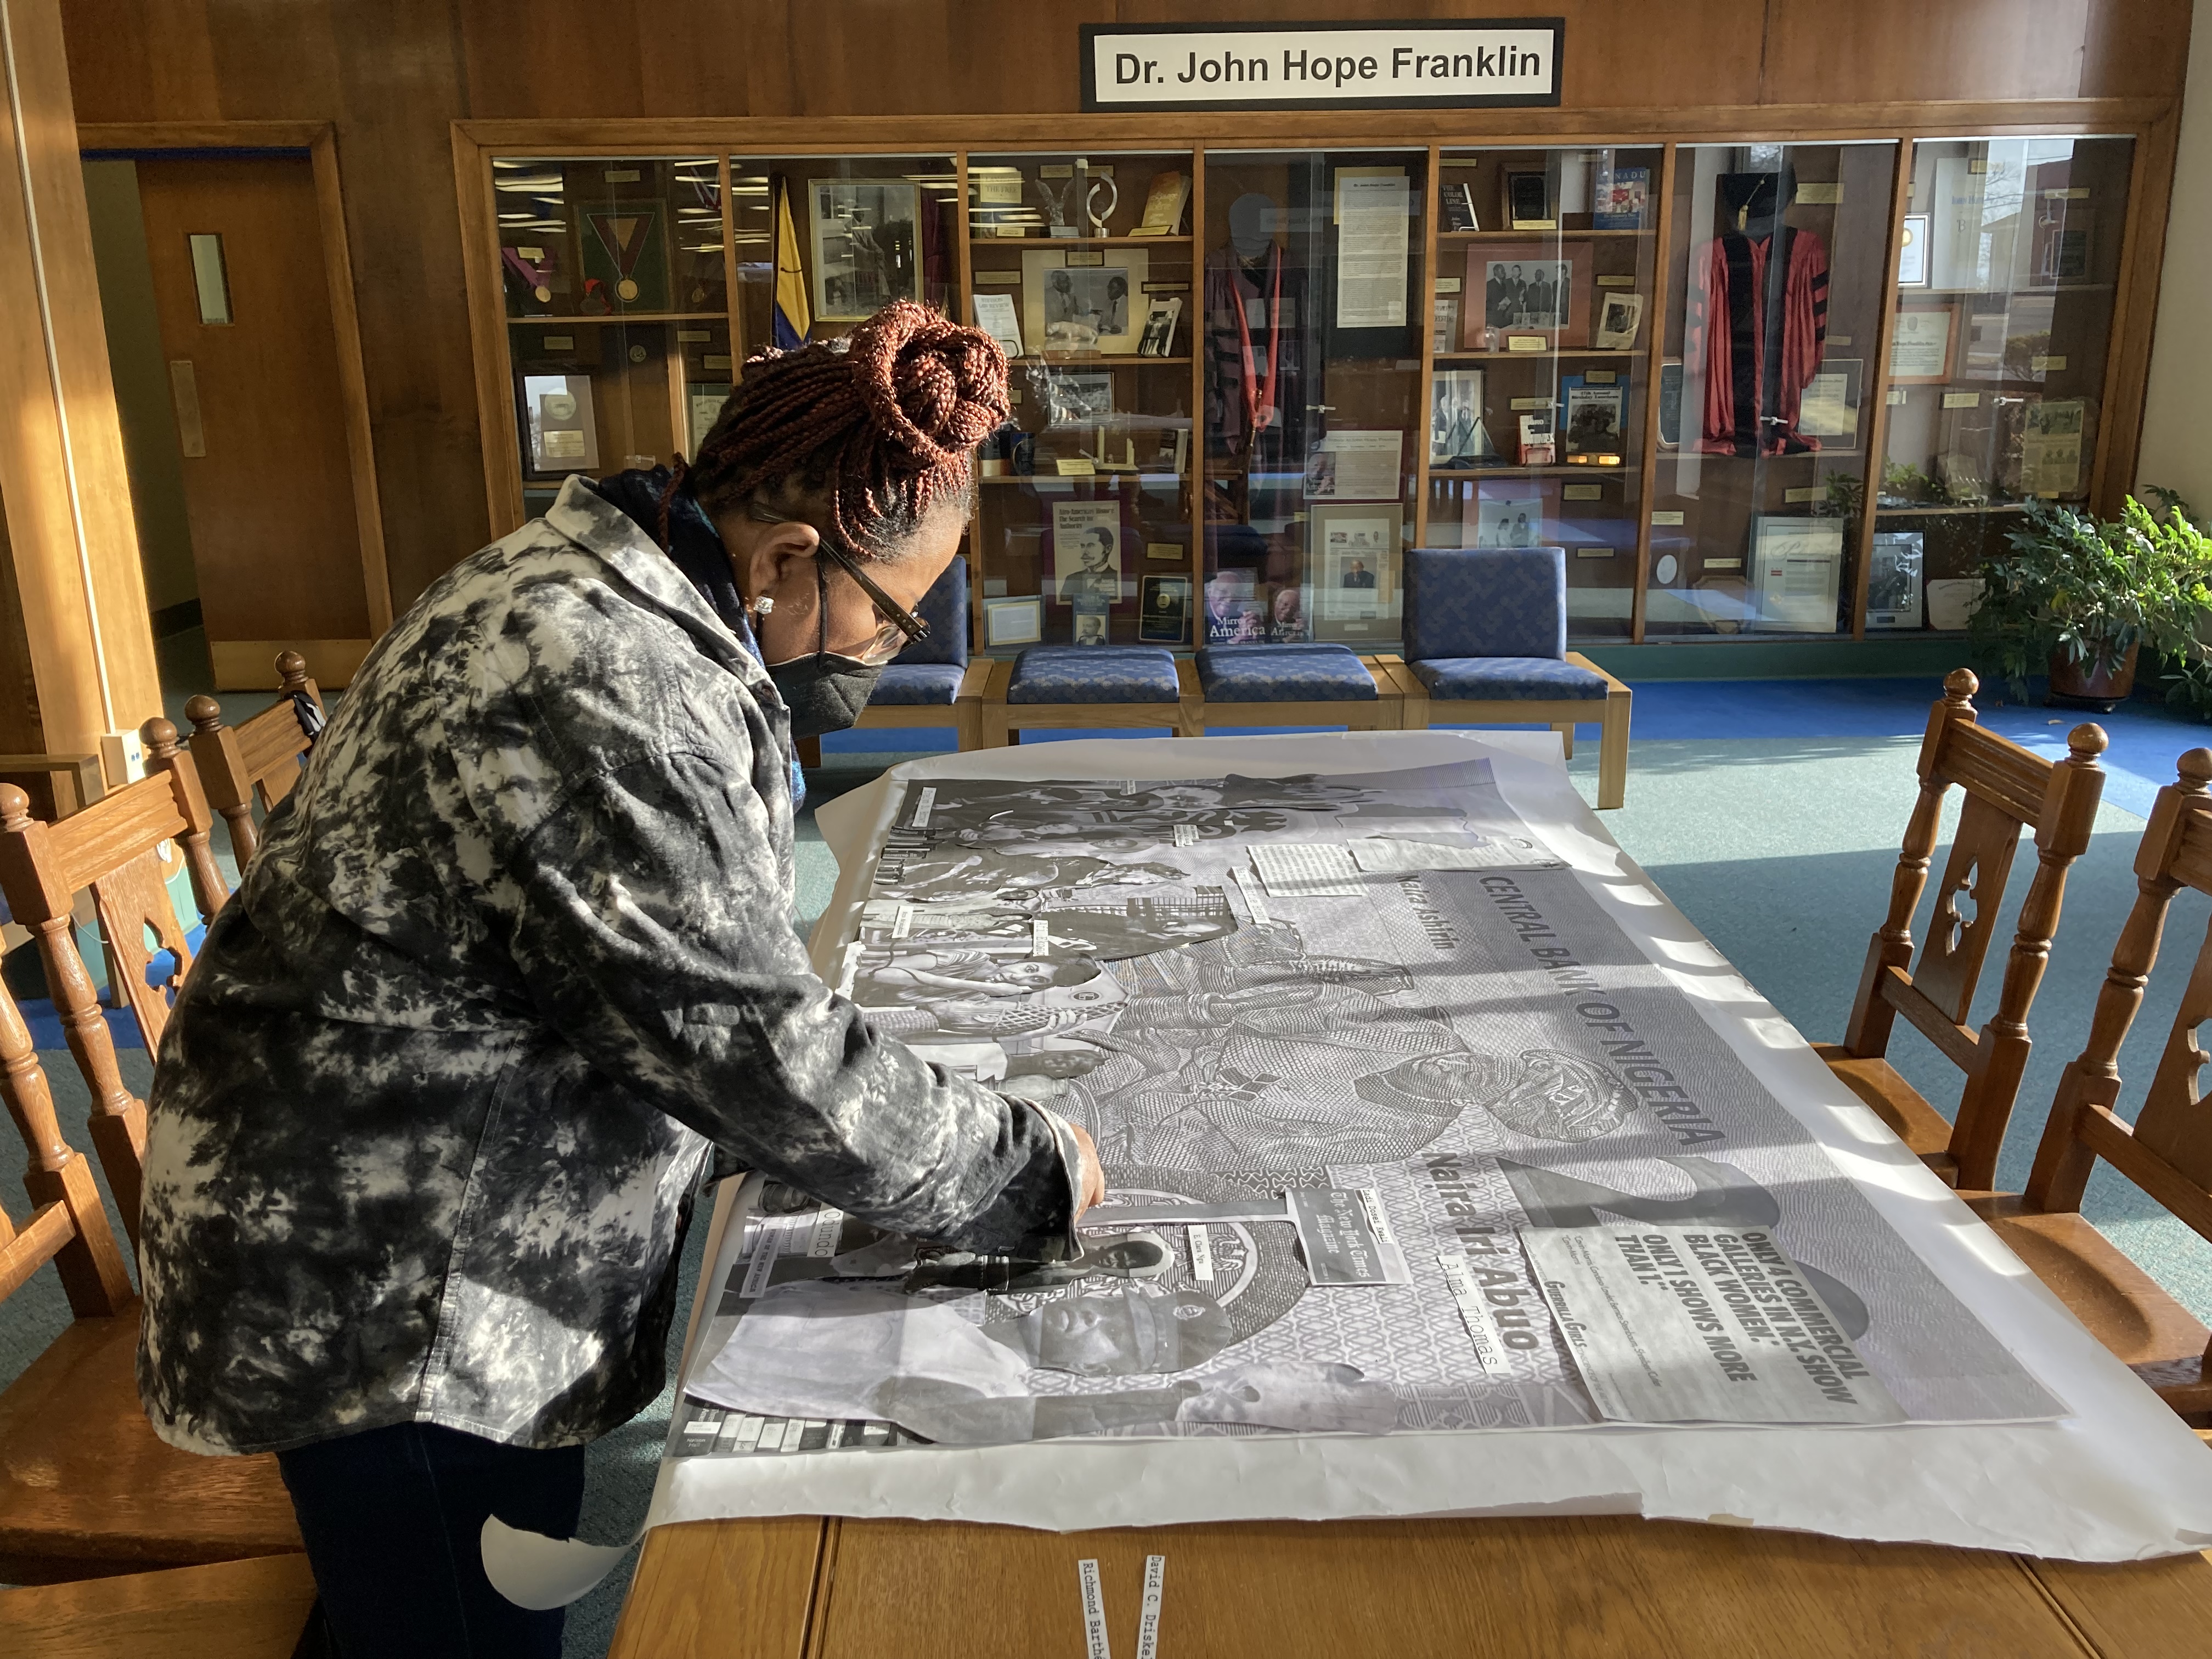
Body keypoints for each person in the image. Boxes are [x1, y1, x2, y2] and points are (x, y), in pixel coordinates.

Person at [134, 301, 1105, 1659]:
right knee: (453, 1626)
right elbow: (751, 1046)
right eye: (896, 619)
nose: (894, 652)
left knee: (419, 1603)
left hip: (412, 1202)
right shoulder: (606, 685)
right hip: (393, 1296)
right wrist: (1018, 1169)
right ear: (783, 562)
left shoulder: (610, 580)